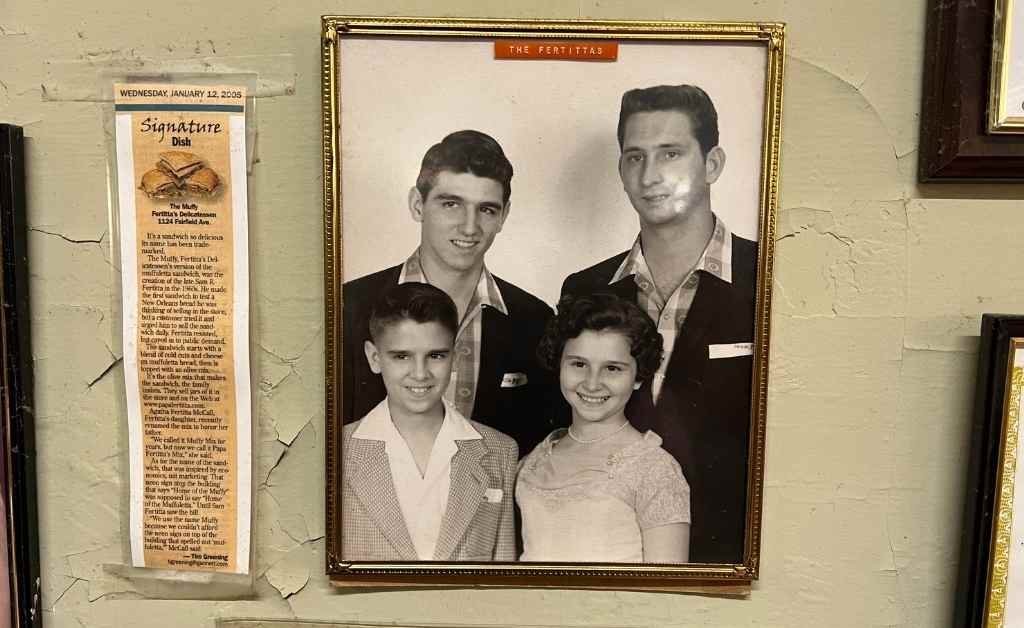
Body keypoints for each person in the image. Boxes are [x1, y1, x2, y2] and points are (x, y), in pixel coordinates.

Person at [560, 84, 756, 564]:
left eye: (670, 153)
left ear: (712, 164)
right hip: (611, 560)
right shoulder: (585, 289)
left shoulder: (769, 275)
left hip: (732, 562)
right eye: (634, 157)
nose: (650, 176)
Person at [343, 130, 557, 456]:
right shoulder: (348, 307)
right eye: (451, 204)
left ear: (504, 215)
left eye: (486, 209)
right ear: (418, 204)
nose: (469, 227)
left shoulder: (534, 320)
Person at [342, 282, 518, 561]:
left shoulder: (500, 451)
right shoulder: (336, 452)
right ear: (374, 358)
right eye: (402, 356)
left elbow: (503, 570)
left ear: (455, 356)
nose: (420, 374)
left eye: (436, 356)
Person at [516, 293, 691, 563]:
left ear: (638, 377)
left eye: (612, 368)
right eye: (579, 364)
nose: (592, 383)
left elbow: (668, 587)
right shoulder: (535, 459)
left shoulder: (655, 470)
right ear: (559, 364)